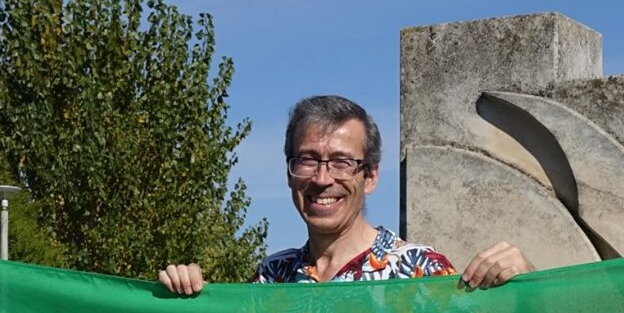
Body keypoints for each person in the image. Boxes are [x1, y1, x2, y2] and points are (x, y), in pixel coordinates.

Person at [156, 95, 532, 294]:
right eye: (307, 160)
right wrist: (186, 303)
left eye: (340, 162)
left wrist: (526, 284)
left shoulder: (421, 271)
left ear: (369, 176)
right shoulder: (272, 277)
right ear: (289, 172)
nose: (322, 179)